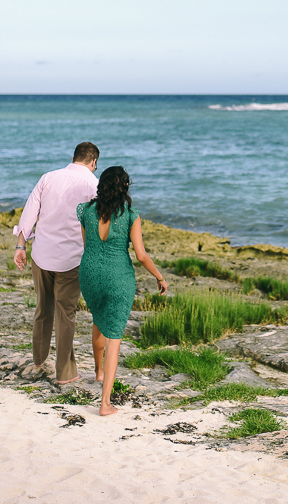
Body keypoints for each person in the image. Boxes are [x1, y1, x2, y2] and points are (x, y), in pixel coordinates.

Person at [77, 165, 167, 415]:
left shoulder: (85, 211)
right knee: (114, 336)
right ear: (124, 188)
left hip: (90, 274)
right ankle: (105, 403)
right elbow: (141, 255)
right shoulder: (130, 214)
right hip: (119, 278)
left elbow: (88, 247)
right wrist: (159, 276)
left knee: (98, 320)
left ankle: (98, 372)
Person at [13, 142, 100, 384]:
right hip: (72, 260)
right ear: (93, 162)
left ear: (73, 158)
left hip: (41, 255)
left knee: (43, 307)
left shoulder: (48, 178)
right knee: (66, 314)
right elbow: (97, 223)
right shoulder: (94, 185)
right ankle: (65, 374)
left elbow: (29, 212)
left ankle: (39, 361)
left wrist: (21, 246)